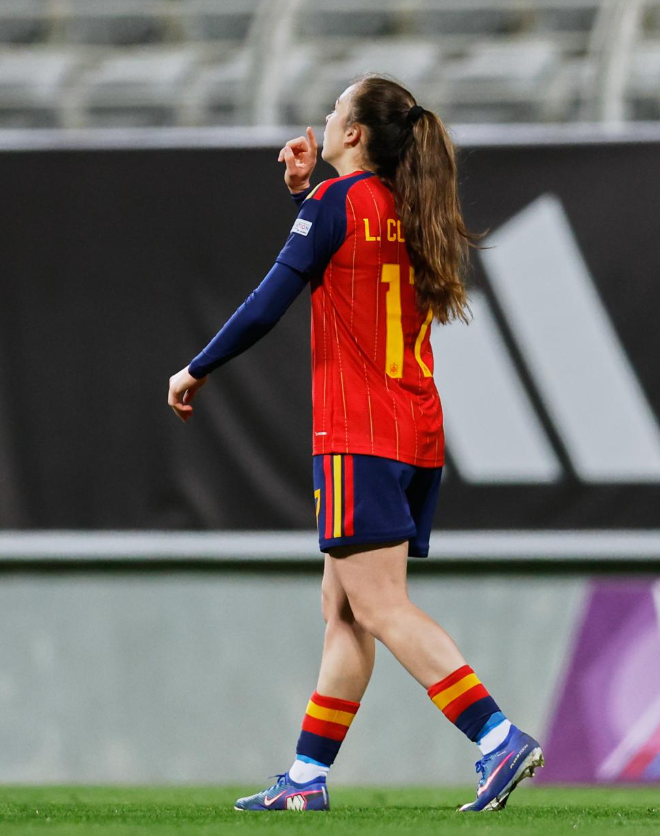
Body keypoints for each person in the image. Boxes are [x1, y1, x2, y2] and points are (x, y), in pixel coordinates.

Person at [167, 73, 543, 813]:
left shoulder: (339, 203)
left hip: (358, 433)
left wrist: (195, 368)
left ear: (354, 134)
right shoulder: (409, 205)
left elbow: (268, 301)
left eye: (336, 108)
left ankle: (496, 737)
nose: (326, 114)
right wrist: (306, 196)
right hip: (414, 430)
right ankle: (306, 779)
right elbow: (348, 259)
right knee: (344, 608)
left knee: (380, 607)